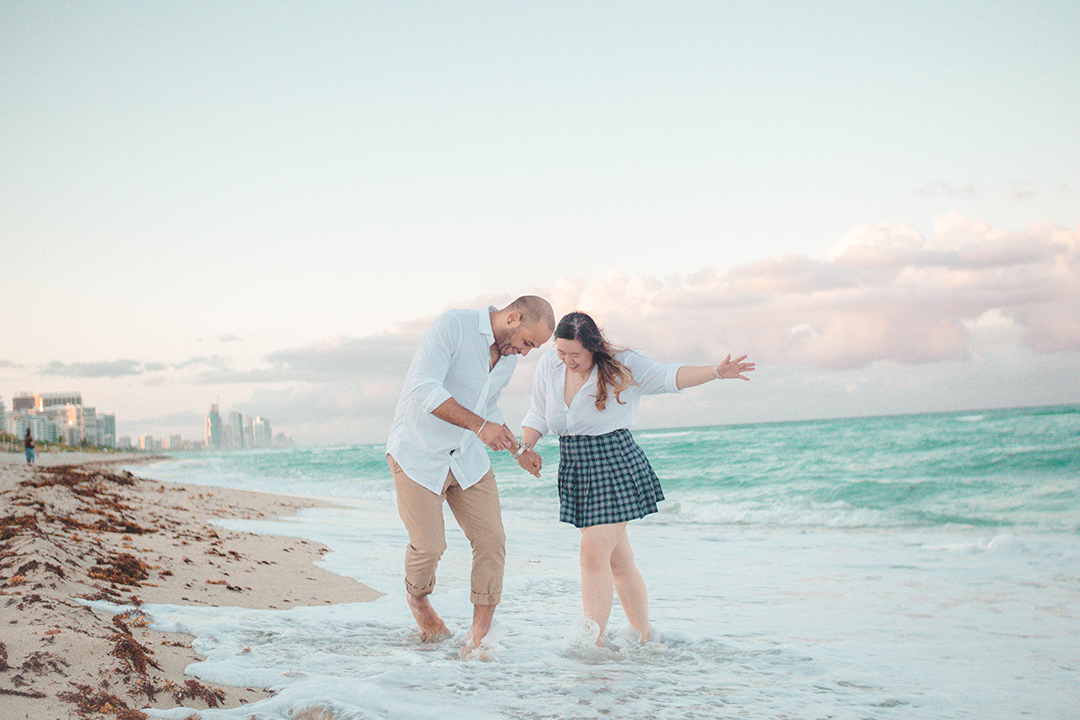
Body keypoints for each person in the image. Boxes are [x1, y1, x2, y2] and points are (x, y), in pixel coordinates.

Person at [517, 311, 754, 644]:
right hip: (575, 465)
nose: (567, 361)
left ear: (593, 348)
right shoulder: (549, 366)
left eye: (575, 355)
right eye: (561, 352)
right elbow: (538, 413)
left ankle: (592, 644)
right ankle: (644, 637)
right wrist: (524, 448)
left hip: (614, 462)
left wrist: (716, 372)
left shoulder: (623, 363)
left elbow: (671, 376)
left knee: (592, 555)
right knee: (618, 561)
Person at [386, 295, 555, 652]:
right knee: (430, 546)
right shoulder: (453, 326)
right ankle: (418, 600)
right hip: (418, 453)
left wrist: (518, 450)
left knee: (492, 541)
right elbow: (423, 388)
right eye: (528, 343)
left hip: (466, 458)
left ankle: (477, 639)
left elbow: (487, 405)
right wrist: (480, 428)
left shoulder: (506, 359)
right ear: (513, 317)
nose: (525, 353)